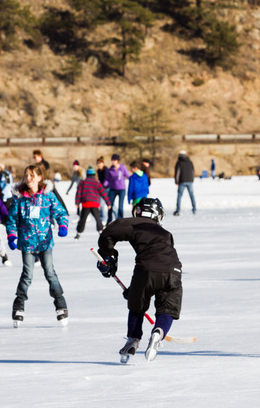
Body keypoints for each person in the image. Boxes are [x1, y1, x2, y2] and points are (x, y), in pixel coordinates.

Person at [96, 198, 183, 363]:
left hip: (146, 269)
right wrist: (134, 290)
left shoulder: (136, 223)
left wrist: (108, 256)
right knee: (167, 310)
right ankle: (158, 332)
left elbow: (109, 232)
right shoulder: (165, 233)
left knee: (137, 306)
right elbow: (161, 263)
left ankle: (133, 339)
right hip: (174, 272)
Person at [6, 165, 70, 327]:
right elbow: (12, 219)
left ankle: (60, 305)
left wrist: (63, 226)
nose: (28, 178)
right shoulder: (20, 198)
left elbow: (61, 212)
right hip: (27, 242)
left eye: (32, 175)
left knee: (50, 272)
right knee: (27, 274)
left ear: (39, 177)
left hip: (45, 242)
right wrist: (12, 236)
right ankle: (18, 307)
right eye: (26, 175)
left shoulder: (47, 196)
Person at [74, 165, 111, 241]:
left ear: (87, 174)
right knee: (98, 219)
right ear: (94, 174)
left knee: (82, 219)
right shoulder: (96, 182)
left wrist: (77, 202)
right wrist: (108, 203)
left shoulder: (83, 182)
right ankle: (101, 232)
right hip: (95, 204)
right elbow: (103, 193)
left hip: (86, 204)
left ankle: (78, 234)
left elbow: (78, 192)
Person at [104, 153, 130, 224]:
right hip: (112, 189)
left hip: (121, 189)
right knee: (110, 205)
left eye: (114, 160)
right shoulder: (110, 169)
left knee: (120, 206)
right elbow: (107, 179)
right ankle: (109, 219)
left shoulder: (122, 168)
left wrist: (134, 180)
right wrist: (103, 186)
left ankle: (120, 220)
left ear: (118, 160)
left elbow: (128, 176)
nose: (113, 161)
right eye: (112, 160)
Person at [173, 151, 196, 216]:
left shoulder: (179, 162)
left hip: (182, 181)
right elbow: (193, 171)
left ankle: (178, 210)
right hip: (190, 181)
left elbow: (177, 172)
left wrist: (176, 181)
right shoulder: (190, 162)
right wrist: (192, 179)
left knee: (179, 196)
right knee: (192, 195)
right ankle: (194, 209)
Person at [96, 157, 109, 223]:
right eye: (98, 163)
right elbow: (100, 181)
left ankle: (118, 217)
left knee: (111, 204)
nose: (99, 164)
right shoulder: (98, 171)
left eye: (100, 163)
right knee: (101, 205)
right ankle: (103, 219)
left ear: (103, 163)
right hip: (102, 190)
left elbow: (107, 180)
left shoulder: (106, 169)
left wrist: (103, 187)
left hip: (108, 189)